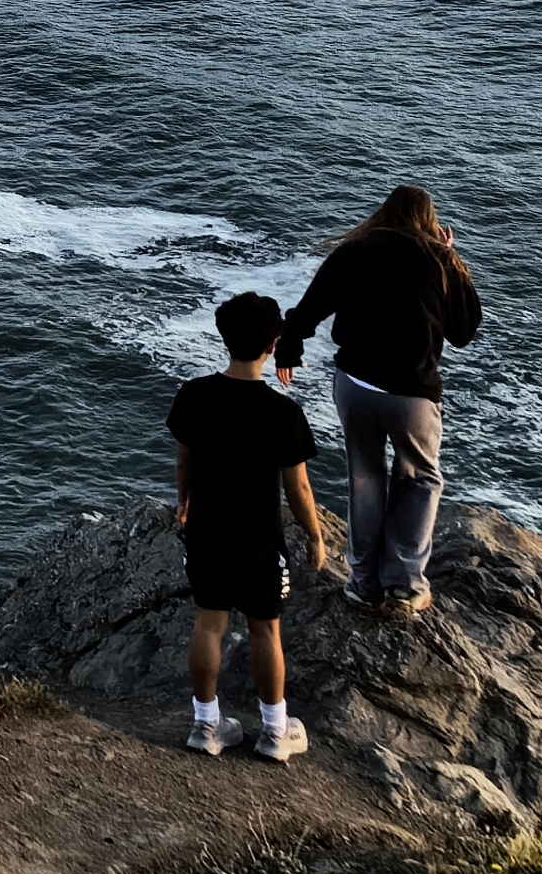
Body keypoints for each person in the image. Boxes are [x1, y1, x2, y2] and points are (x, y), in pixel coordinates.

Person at [275, 182, 484, 617]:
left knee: (366, 479)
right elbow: (463, 333)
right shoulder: (437, 261)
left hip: (356, 385)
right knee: (420, 479)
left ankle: (362, 584)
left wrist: (288, 348)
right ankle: (404, 586)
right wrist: (451, 260)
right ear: (430, 222)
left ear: (384, 214)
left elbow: (312, 306)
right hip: (411, 395)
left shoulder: (355, 250)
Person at [170, 291, 334, 759]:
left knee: (209, 625)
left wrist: (186, 502)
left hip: (207, 532)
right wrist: (316, 535)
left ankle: (205, 726)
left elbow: (186, 460)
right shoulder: (282, 412)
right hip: (261, 540)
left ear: (224, 338)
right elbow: (298, 489)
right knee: (266, 631)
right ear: (272, 345)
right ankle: (275, 732)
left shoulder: (195, 395)